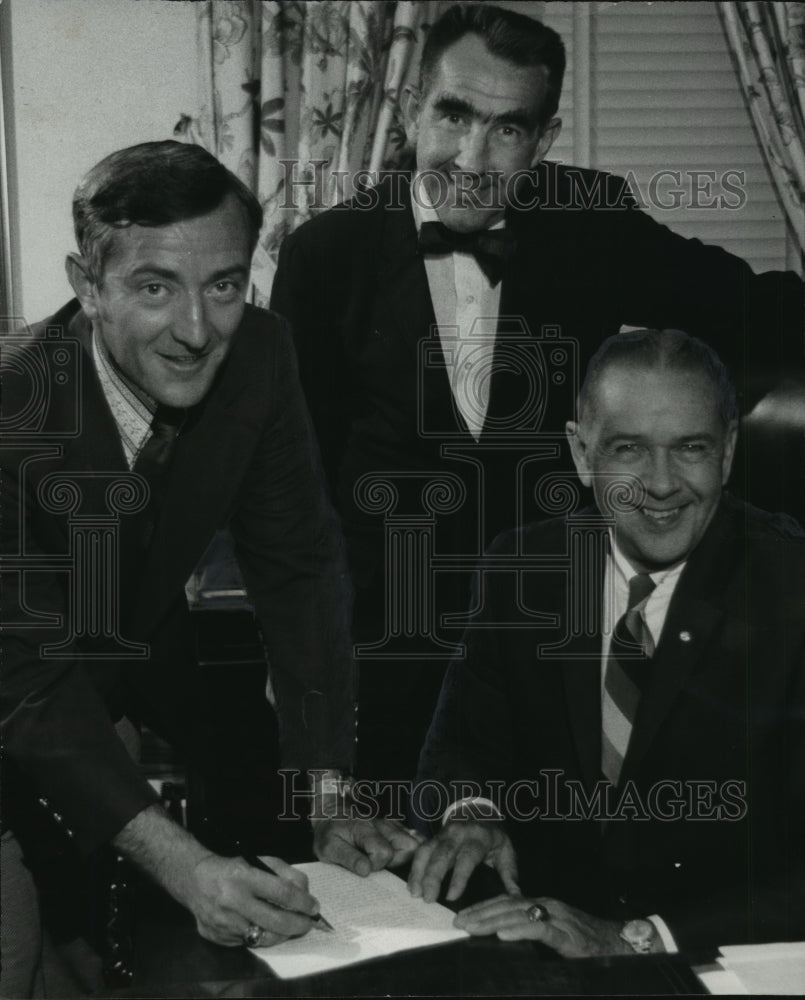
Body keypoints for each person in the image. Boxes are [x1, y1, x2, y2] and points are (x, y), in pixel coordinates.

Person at [269, 3, 805, 792]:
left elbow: (749, 309)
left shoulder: (588, 220)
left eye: (508, 128)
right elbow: (289, 477)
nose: (471, 156)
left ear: (544, 139)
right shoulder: (325, 252)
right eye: (452, 114)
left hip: (547, 643)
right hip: (383, 642)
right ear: (414, 107)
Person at [0, 140, 418, 998]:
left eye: (224, 284)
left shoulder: (259, 356)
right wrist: (188, 869)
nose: (197, 330)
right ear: (87, 285)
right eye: (155, 286)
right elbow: (26, 684)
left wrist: (325, 789)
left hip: (105, 686)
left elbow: (299, 573)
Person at [409, 329, 805, 955]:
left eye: (691, 448)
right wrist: (472, 814)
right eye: (628, 450)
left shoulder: (791, 589)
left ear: (728, 453)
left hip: (720, 961)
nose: (661, 483)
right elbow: (461, 746)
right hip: (540, 946)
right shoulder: (523, 567)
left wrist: (640, 939)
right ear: (581, 452)